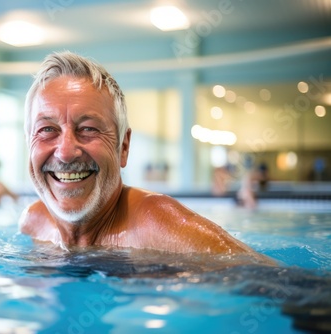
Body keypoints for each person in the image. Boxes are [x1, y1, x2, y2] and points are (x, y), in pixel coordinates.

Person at [19, 51, 274, 265]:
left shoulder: (160, 227)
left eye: (88, 129)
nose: (65, 152)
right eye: (47, 130)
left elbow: (283, 286)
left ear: (123, 147)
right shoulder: (33, 223)